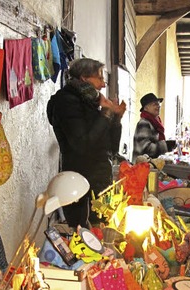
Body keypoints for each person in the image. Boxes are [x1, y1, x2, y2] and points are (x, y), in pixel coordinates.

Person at [47, 58, 126, 229]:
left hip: (99, 182)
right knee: (83, 233)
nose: (103, 85)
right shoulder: (66, 102)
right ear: (84, 78)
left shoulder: (91, 103)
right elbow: (82, 144)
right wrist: (105, 114)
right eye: (99, 78)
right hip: (79, 184)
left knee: (101, 232)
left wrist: (116, 118)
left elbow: (112, 148)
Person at [132, 93, 172, 161]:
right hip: (141, 167)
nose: (158, 106)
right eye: (155, 104)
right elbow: (146, 149)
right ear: (146, 108)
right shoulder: (144, 123)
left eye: (158, 104)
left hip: (148, 165)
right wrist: (165, 145)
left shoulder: (154, 123)